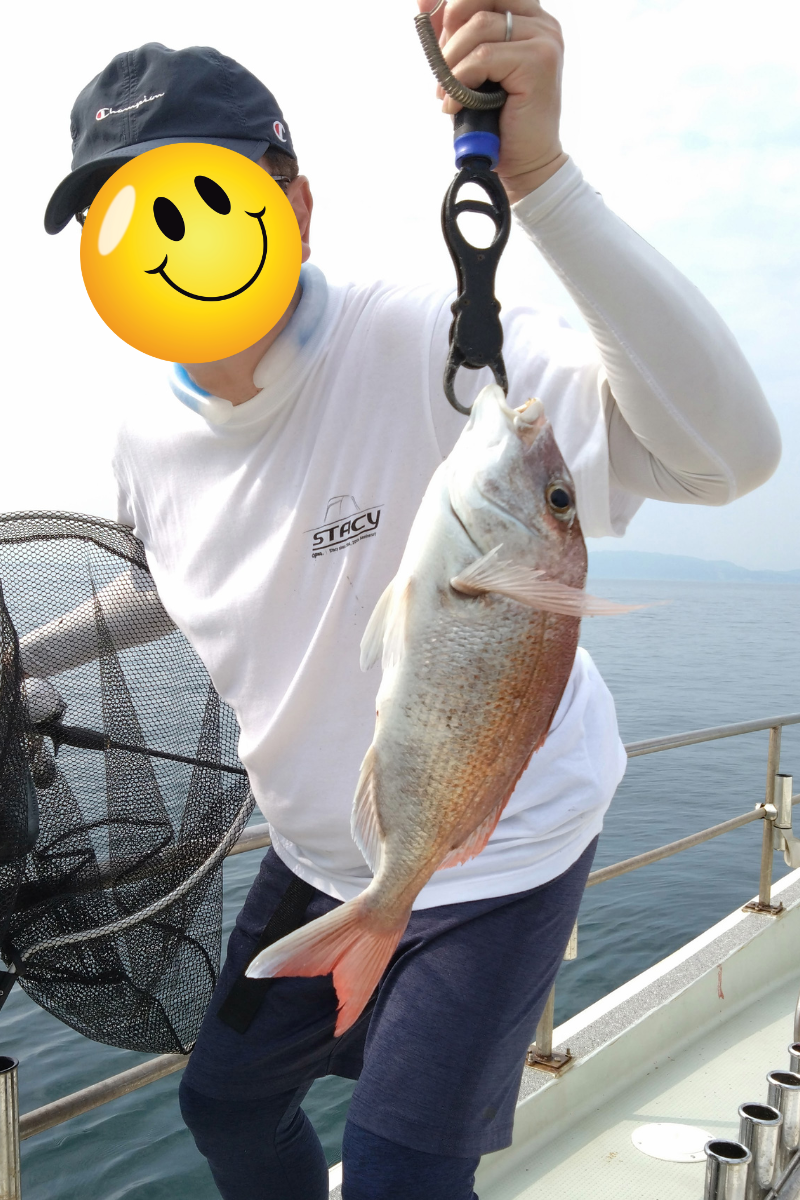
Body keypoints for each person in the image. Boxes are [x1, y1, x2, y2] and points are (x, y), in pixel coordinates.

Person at [39, 5, 780, 1198]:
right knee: (224, 1105)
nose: (169, 237)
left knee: (398, 1174)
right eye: (123, 214)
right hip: (322, 850)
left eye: (200, 195)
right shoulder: (140, 438)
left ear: (292, 205)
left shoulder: (436, 342)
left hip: (502, 850)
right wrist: (27, 659)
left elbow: (721, 462)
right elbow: (166, 587)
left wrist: (539, 180)